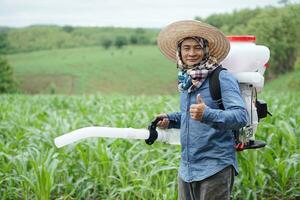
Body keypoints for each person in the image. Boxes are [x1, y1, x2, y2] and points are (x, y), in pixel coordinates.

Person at [155, 20, 248, 200]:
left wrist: (207, 114)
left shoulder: (221, 77)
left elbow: (240, 116)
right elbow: (190, 116)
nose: (191, 53)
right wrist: (171, 119)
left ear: (206, 50)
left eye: (197, 47)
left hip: (215, 167)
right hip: (187, 169)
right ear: (179, 52)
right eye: (186, 48)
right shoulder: (186, 81)